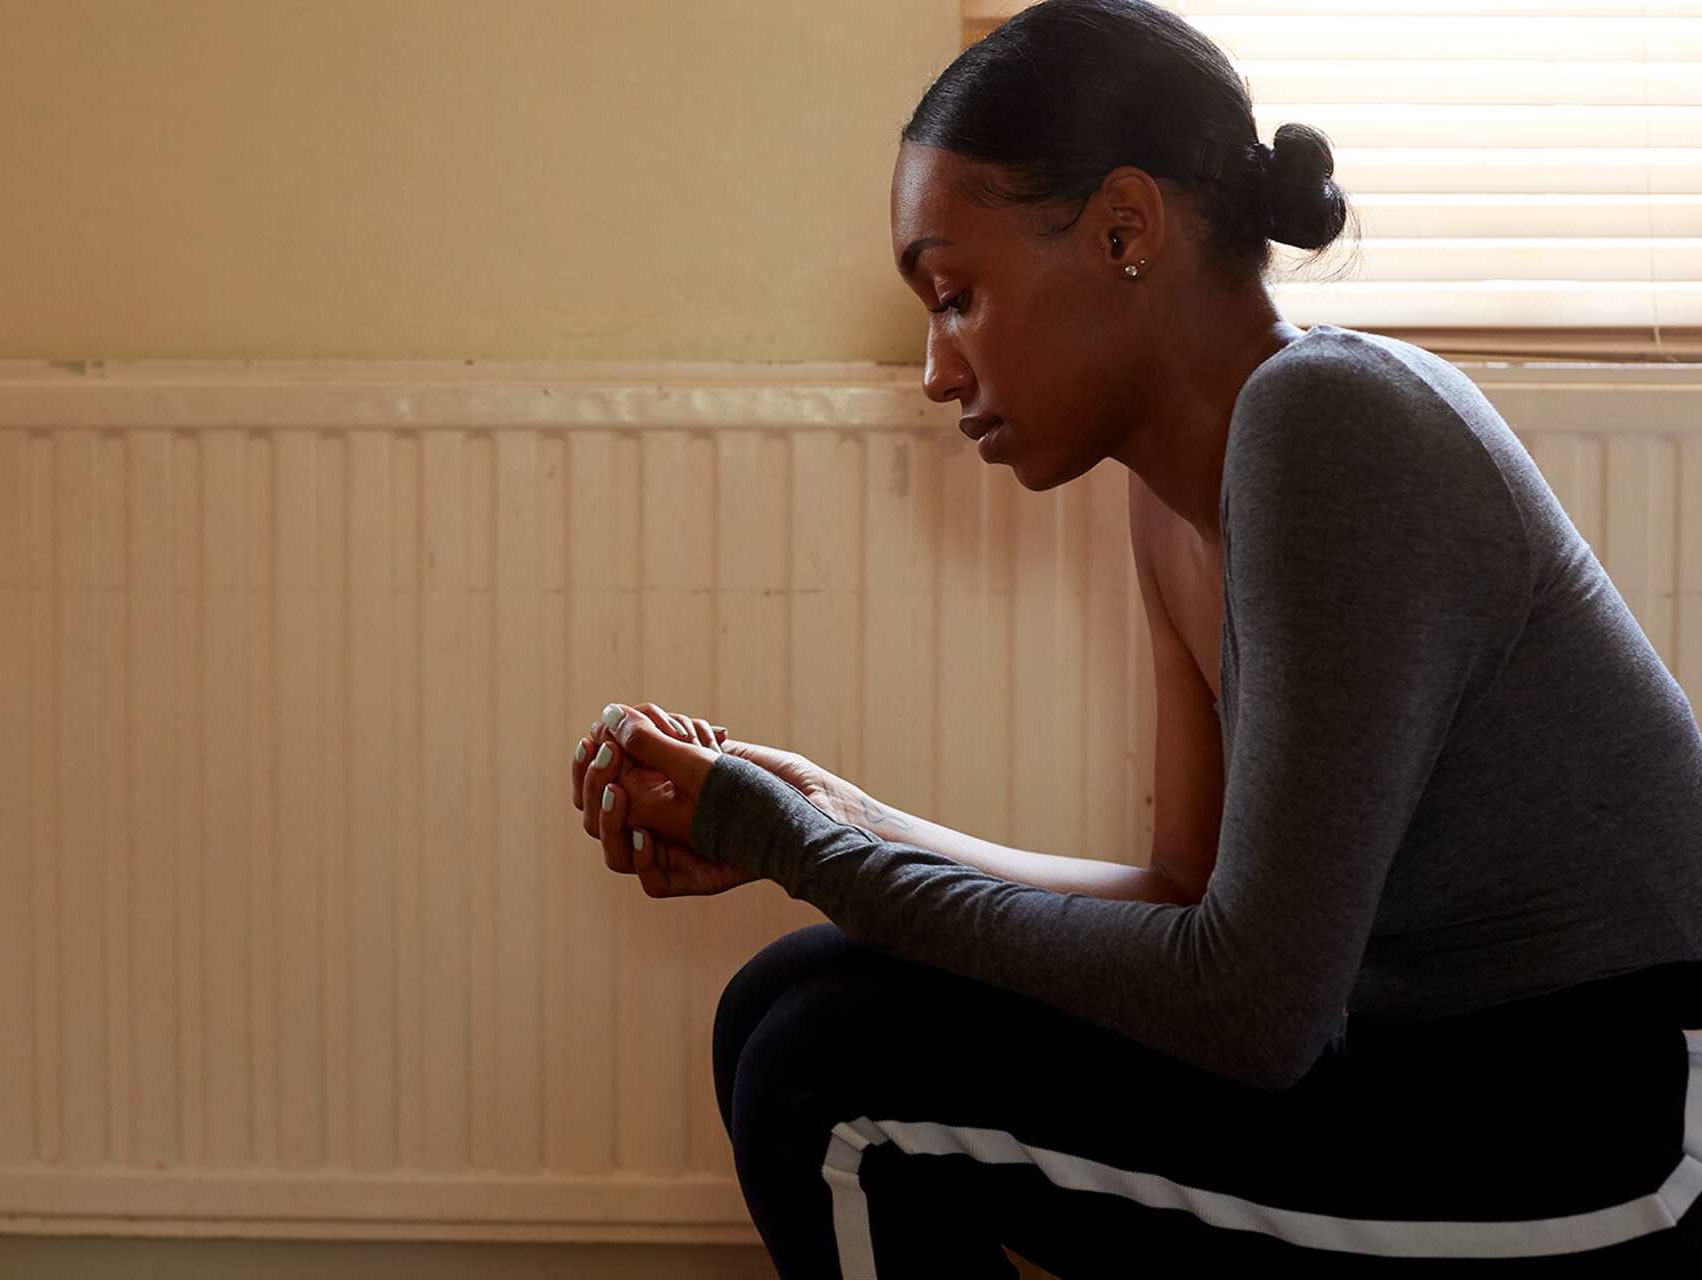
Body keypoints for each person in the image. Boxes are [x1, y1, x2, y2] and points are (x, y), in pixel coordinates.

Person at [568, 1, 1702, 1272]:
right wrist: (823, 811)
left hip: (1623, 1134)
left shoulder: (1332, 423)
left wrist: (809, 849)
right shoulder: (1175, 502)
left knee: (830, 1076)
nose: (937, 368)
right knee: (790, 999)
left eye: (955, 294)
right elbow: (1183, 899)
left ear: (1123, 228)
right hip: (1427, 1073)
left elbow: (1252, 1007)